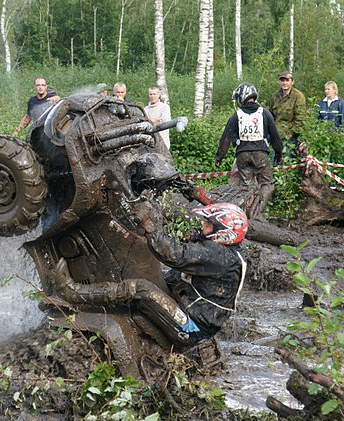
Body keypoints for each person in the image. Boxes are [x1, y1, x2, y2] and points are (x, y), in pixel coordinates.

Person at [53, 201, 248, 344]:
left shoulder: (220, 256)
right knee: (158, 276)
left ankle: (73, 293)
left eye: (209, 225)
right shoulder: (229, 255)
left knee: (142, 288)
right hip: (193, 315)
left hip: (192, 328)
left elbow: (174, 254)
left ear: (225, 232)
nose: (203, 227)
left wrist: (148, 225)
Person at [215, 83, 284, 219]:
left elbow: (226, 138)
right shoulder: (264, 113)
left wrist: (219, 156)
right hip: (261, 154)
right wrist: (279, 153)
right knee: (267, 184)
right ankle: (256, 213)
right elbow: (275, 136)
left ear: (241, 97)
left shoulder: (237, 115)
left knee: (247, 187)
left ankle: (246, 215)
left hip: (242, 155)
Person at [267, 71, 308, 151]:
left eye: (287, 80)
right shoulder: (275, 95)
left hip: (291, 136)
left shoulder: (298, 96)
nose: (284, 83)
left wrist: (290, 134)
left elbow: (300, 119)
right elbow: (271, 114)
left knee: (287, 158)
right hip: (276, 134)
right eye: (282, 80)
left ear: (292, 82)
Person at [145, 86, 172, 150]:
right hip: (149, 143)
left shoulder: (165, 107)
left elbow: (166, 121)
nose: (152, 96)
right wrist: (157, 119)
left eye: (154, 94)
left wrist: (151, 120)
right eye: (151, 94)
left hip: (163, 143)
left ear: (158, 95)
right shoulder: (145, 109)